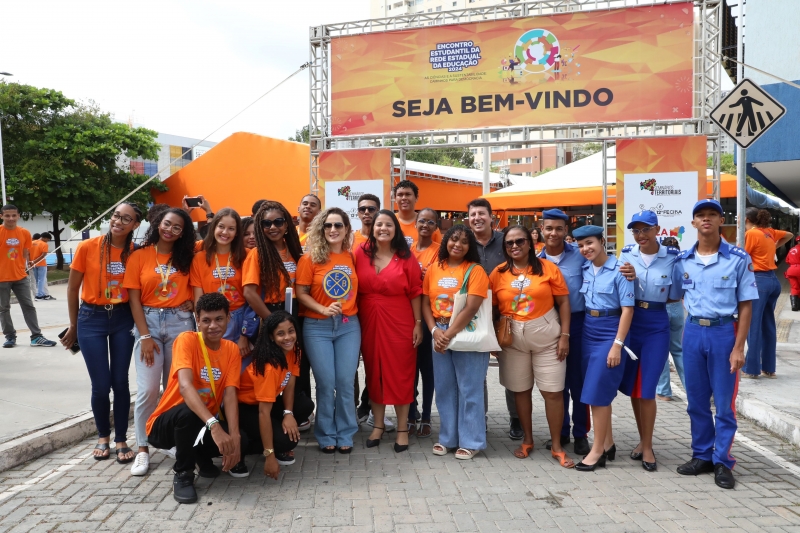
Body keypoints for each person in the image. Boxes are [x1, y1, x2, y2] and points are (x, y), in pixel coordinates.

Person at [672, 199, 758, 489]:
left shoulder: (738, 258)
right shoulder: (683, 261)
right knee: (696, 402)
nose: (706, 219)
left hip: (724, 333)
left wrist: (739, 347)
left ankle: (722, 460)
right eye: (700, 215)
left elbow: (746, 305)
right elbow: (674, 294)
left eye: (712, 214)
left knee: (723, 404)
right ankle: (702, 455)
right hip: (693, 332)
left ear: (722, 221)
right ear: (693, 223)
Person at [61, 203, 143, 463]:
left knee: (120, 382)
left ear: (135, 224)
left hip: (123, 317)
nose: (118, 221)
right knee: (101, 384)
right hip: (91, 318)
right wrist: (73, 325)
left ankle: (121, 439)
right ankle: (103, 436)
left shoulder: (136, 252)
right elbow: (72, 288)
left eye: (126, 219)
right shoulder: (88, 247)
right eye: (116, 215)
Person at [146, 293, 245, 504]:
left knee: (243, 439)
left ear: (228, 318)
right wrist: (214, 426)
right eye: (206, 320)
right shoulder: (187, 340)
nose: (213, 326)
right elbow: (185, 386)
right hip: (166, 425)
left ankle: (199, 453)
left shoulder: (231, 350)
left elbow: (230, 394)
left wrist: (234, 437)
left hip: (201, 423)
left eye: (219, 319)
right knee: (189, 413)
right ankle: (183, 474)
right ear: (197, 320)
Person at [490, 225, 574, 467]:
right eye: (509, 243)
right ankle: (527, 440)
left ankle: (556, 445)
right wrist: (493, 339)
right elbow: (491, 308)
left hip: (547, 337)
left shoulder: (548, 268)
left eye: (520, 241)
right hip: (512, 339)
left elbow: (564, 303)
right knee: (520, 390)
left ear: (530, 243)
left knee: (553, 392)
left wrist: (565, 336)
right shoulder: (498, 273)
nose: (514, 246)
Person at [123, 207, 197, 476]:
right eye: (167, 224)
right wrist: (144, 336)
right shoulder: (139, 255)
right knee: (148, 390)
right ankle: (142, 448)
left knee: (175, 388)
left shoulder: (188, 257)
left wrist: (192, 302)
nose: (170, 230)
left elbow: (198, 287)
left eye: (177, 227)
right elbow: (133, 299)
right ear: (157, 224)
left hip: (180, 323)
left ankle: (170, 442)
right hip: (149, 324)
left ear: (183, 233)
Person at [354, 209, 423, 452]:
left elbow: (415, 291)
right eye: (379, 224)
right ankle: (378, 425)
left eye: (388, 225)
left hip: (400, 320)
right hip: (368, 320)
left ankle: (402, 428)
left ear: (396, 229)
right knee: (374, 373)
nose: (383, 228)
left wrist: (418, 323)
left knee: (401, 373)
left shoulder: (406, 257)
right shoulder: (360, 253)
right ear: (372, 228)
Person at [619, 211, 682, 472]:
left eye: (645, 229)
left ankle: (647, 447)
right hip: (631, 321)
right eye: (636, 230)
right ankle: (642, 440)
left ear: (657, 229)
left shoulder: (672, 257)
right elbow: (619, 288)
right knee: (635, 387)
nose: (640, 235)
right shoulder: (626, 254)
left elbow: (675, 294)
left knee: (647, 388)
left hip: (656, 323)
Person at [422, 225, 490, 460]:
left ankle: (472, 441)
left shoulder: (475, 270)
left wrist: (448, 333)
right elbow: (425, 302)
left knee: (469, 389)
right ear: (445, 242)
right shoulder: (434, 268)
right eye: (453, 239)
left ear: (470, 246)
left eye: (464, 241)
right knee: (444, 388)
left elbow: (472, 307)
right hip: (439, 332)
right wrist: (434, 331)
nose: (457, 244)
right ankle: (448, 438)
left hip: (465, 332)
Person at [296, 207, 361, 454]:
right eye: (328, 225)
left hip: (348, 326)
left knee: (345, 382)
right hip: (317, 327)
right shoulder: (309, 259)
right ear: (321, 229)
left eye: (338, 225)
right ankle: (325, 434)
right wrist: (322, 309)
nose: (333, 229)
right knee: (325, 383)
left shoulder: (352, 257)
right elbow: (301, 293)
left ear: (346, 229)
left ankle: (346, 432)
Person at [242, 201, 311, 430]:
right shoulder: (257, 254)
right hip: (271, 314)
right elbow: (249, 292)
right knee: (272, 369)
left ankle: (296, 415)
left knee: (297, 367)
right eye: (267, 223)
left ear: (287, 224)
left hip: (296, 313)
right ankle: (269, 421)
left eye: (278, 222)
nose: (273, 227)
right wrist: (272, 323)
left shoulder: (295, 252)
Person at [572, 225, 635, 472]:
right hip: (588, 330)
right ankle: (608, 444)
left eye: (589, 243)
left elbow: (628, 310)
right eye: (580, 245)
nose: (585, 249)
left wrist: (617, 345)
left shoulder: (621, 270)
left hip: (611, 331)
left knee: (597, 394)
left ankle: (596, 451)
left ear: (601, 241)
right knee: (594, 390)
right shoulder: (585, 268)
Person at [466, 199, 521, 440]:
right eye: (472, 214)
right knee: (477, 373)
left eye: (481, 213)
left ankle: (516, 418)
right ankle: (480, 418)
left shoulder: (506, 241)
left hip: (505, 315)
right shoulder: (464, 242)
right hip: (474, 315)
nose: (477, 218)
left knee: (512, 370)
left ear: (491, 217)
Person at [237, 311, 315, 478]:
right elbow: (263, 412)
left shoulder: (294, 350)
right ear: (271, 337)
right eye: (280, 334)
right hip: (245, 409)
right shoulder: (270, 368)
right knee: (288, 442)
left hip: (265, 404)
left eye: (291, 331)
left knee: (305, 405)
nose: (288, 337)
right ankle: (241, 450)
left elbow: (290, 384)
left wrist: (288, 413)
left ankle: (273, 437)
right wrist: (270, 456)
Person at [538, 209, 591, 456]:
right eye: (549, 228)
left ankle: (581, 433)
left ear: (566, 231)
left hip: (579, 324)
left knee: (578, 381)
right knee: (555, 383)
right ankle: (560, 432)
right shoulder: (535, 261)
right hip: (548, 325)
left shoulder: (580, 256)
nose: (554, 233)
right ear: (541, 229)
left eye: (559, 228)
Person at [190, 209, 249, 356]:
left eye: (231, 228)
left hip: (241, 316)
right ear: (214, 227)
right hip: (213, 319)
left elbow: (252, 295)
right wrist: (201, 326)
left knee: (241, 365)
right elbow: (198, 297)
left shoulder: (247, 255)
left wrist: (246, 334)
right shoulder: (199, 258)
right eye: (221, 226)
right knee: (216, 362)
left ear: (237, 232)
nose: (225, 232)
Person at [743, 208, 793, 378]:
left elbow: (743, 256)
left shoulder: (751, 233)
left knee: (753, 325)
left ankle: (751, 369)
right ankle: (769, 368)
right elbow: (789, 235)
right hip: (773, 281)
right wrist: (773, 246)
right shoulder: (769, 232)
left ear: (746, 219)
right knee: (768, 324)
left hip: (758, 281)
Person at [0, 205, 57, 348]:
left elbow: (25, 253)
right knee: (4, 308)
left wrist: (24, 265)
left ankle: (36, 336)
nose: (11, 218)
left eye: (14, 215)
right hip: (1, 278)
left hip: (21, 277)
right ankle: (10, 336)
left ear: (18, 216)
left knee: (29, 306)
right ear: (1, 216)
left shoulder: (24, 233)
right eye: (7, 215)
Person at [409, 208, 440, 438]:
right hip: (408, 317)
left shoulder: (440, 251)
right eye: (422, 221)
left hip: (431, 317)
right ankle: (411, 415)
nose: (425, 225)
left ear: (436, 226)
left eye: (430, 222)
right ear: (416, 223)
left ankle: (427, 416)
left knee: (428, 370)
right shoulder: (406, 251)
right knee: (410, 370)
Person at [351, 193, 380, 427]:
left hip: (375, 309)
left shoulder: (384, 238)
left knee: (375, 361)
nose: (367, 212)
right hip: (351, 309)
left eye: (371, 208)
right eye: (363, 209)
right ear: (358, 212)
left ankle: (368, 405)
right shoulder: (349, 238)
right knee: (351, 364)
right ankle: (350, 410)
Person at [656, 237, 687, 401]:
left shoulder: (661, 264)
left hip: (662, 308)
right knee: (678, 350)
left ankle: (664, 391)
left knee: (661, 350)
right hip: (677, 307)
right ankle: (691, 389)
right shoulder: (683, 264)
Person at [394, 180, 441, 247]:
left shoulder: (429, 225)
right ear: (395, 198)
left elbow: (439, 250)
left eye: (408, 194)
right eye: (400, 195)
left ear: (416, 198)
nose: (404, 198)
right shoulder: (389, 222)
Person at [32, 232, 54, 300]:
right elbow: (43, 255)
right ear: (45, 238)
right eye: (48, 239)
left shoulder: (32, 243)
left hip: (33, 264)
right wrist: (34, 261)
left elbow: (28, 253)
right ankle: (40, 295)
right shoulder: (44, 244)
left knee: (37, 280)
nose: (47, 241)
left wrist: (31, 262)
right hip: (41, 264)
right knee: (41, 280)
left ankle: (39, 293)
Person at [787, 236, 800, 312]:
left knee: (794, 287)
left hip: (791, 270)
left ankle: (794, 305)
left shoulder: (791, 249)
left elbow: (787, 260)